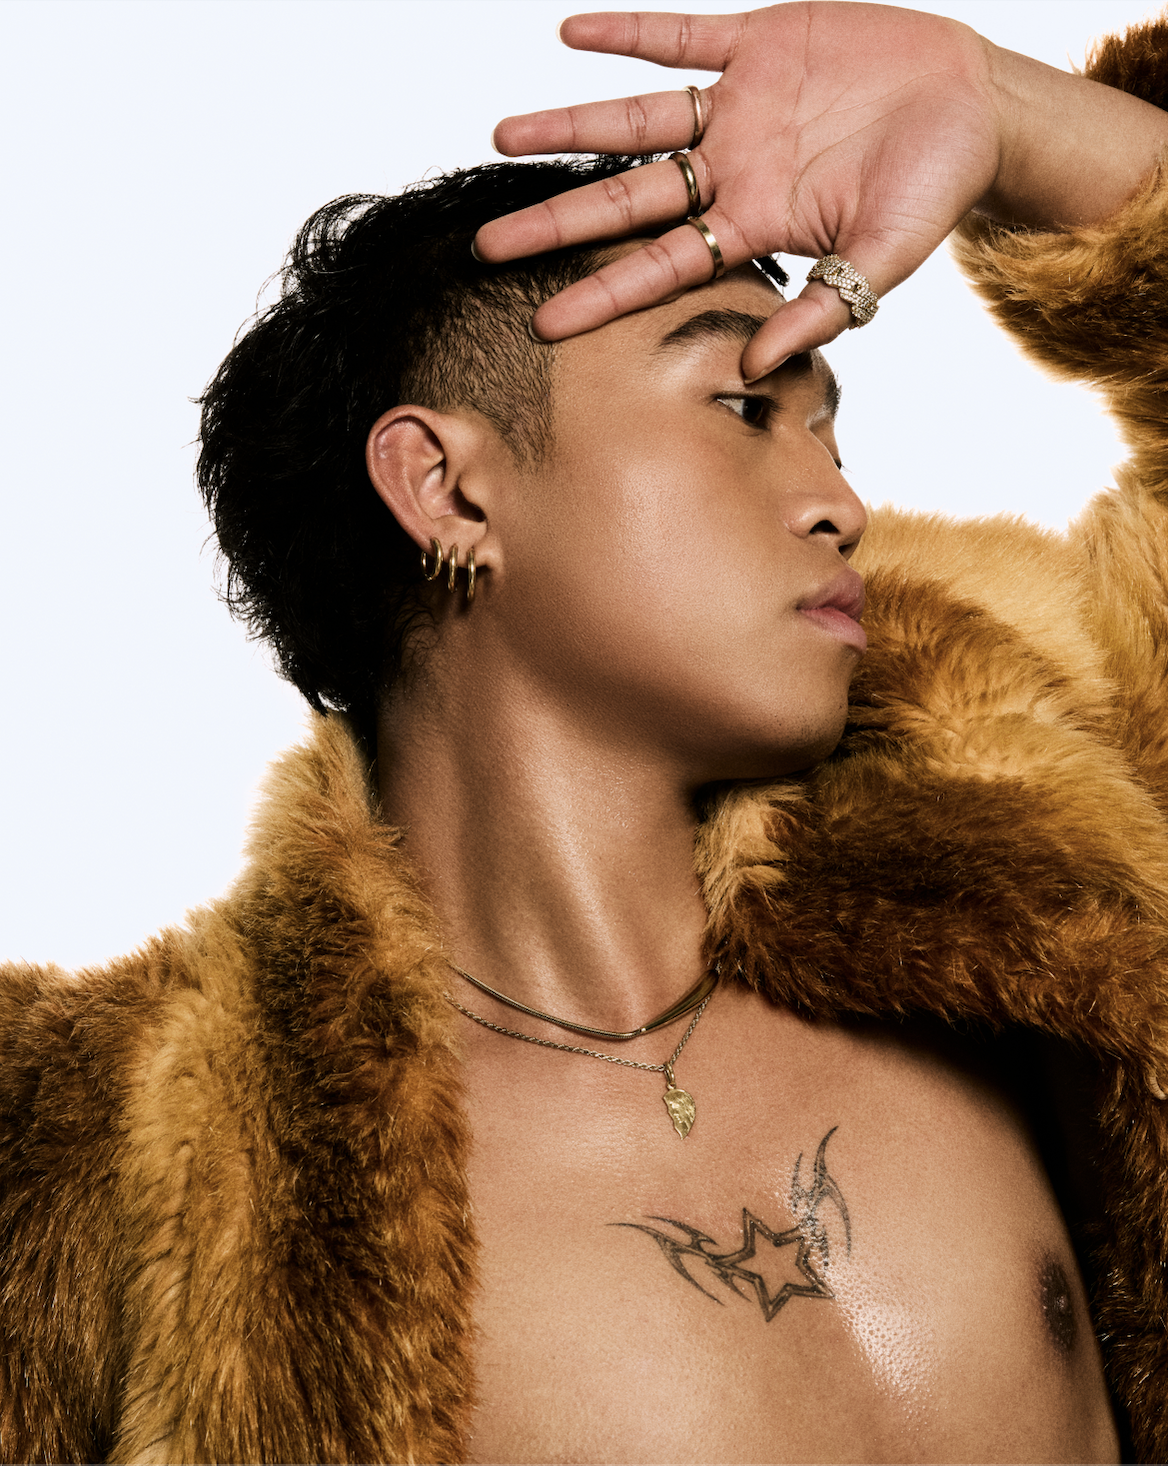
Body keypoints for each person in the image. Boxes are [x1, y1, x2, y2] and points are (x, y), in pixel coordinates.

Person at [3, 1, 1168, 1460]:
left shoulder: (1032, 818)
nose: (840, 503)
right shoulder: (119, 1165)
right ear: (449, 491)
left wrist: (1002, 109)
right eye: (743, 406)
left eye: (830, 428)